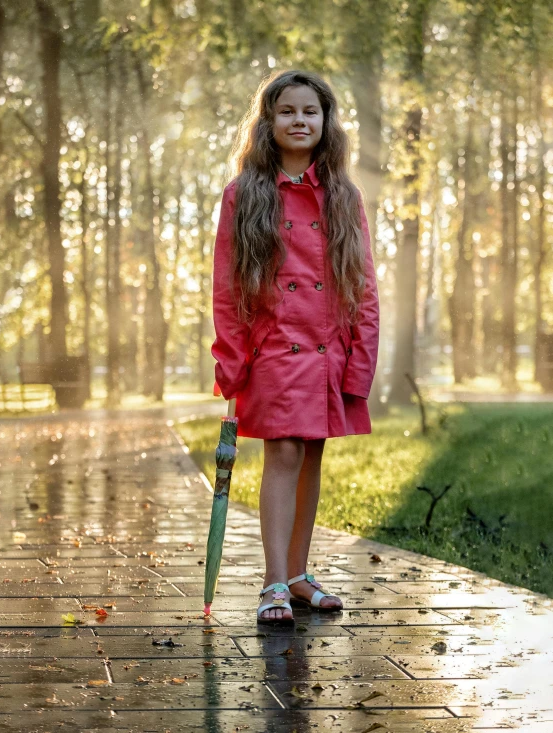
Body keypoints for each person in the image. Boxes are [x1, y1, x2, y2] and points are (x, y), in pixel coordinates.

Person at [211, 70, 379, 624]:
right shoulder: (243, 195)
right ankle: (273, 581)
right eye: (287, 111)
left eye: (311, 111)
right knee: (282, 453)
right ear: (268, 122)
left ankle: (300, 574)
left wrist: (360, 365)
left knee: (311, 454)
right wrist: (231, 364)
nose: (300, 120)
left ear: (326, 122)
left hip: (330, 348)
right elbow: (228, 287)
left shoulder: (345, 197)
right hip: (275, 347)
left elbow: (364, 287)